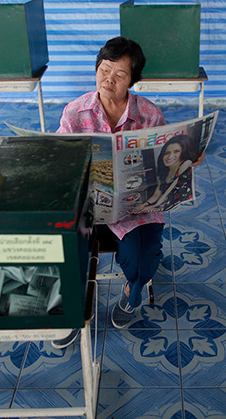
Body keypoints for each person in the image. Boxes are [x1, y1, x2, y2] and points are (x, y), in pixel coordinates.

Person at [51, 36, 168, 347]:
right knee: (60, 249)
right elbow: (62, 159)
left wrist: (184, 160)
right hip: (88, 202)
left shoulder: (149, 115)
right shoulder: (76, 113)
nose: (108, 80)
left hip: (134, 206)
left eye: (120, 74)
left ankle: (132, 292)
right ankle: (70, 309)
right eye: (104, 70)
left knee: (142, 262)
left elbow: (163, 165)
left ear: (133, 80)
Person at [134, 135, 195, 213]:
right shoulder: (164, 173)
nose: (170, 157)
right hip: (165, 204)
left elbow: (168, 192)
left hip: (181, 206)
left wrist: (154, 206)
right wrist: (144, 205)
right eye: (167, 153)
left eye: (176, 151)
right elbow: (156, 195)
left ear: (183, 153)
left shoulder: (186, 163)